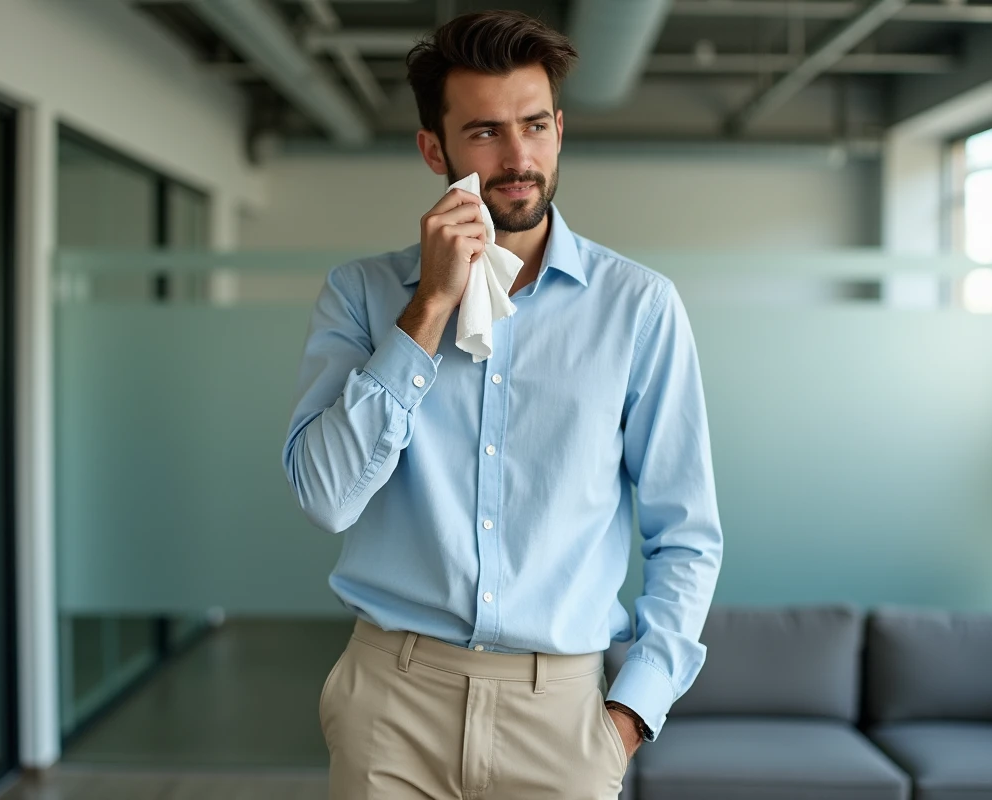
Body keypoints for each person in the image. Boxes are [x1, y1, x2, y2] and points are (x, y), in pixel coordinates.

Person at [282, 10, 723, 799]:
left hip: (560, 717)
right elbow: (326, 498)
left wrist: (629, 715)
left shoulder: (640, 308)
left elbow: (685, 535)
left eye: (534, 125)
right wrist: (426, 315)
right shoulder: (363, 295)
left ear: (559, 129)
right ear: (434, 149)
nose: (518, 157)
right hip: (393, 703)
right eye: (485, 131)